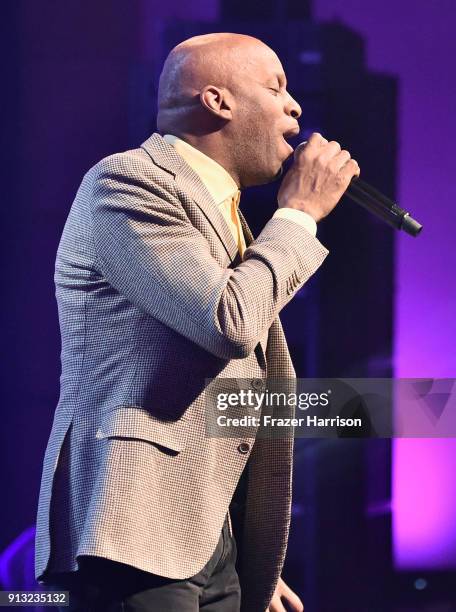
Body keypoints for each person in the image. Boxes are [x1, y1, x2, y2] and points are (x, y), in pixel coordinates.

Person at [34, 32, 360, 612]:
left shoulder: (228, 219)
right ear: (217, 101)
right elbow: (225, 321)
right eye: (277, 87)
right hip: (129, 533)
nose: (296, 107)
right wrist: (300, 214)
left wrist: (249, 559)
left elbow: (234, 395)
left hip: (208, 542)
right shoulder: (126, 184)